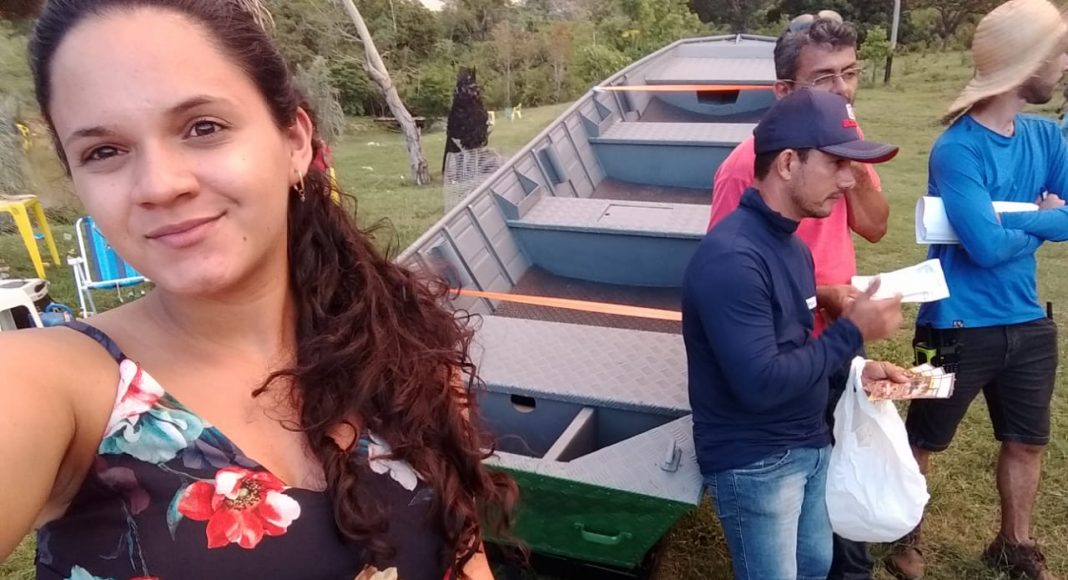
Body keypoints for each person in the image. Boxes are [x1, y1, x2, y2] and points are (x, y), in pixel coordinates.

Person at [0, 1, 515, 579]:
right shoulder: (58, 384)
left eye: (203, 127)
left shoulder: (401, 342)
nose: (159, 185)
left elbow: (465, 556)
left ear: (294, 141)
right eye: (104, 152)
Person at [683, 88, 905, 580]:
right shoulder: (732, 259)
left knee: (815, 567)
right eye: (837, 163)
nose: (848, 180)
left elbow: (795, 345)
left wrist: (858, 369)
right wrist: (851, 331)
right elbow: (760, 383)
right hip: (758, 462)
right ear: (787, 162)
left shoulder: (793, 247)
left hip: (809, 442)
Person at [886, 2, 1068, 579]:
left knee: (1028, 441)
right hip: (950, 323)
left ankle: (1015, 545)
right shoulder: (957, 149)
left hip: (1027, 320)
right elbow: (985, 247)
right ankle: (903, 535)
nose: (1065, 64)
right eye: (1058, 53)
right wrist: (1042, 218)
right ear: (1027, 61)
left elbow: (1031, 226)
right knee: (923, 439)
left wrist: (1016, 221)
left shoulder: (1047, 137)